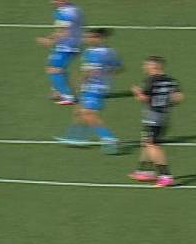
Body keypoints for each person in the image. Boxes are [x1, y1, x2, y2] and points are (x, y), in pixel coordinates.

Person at [56, 28, 122, 153]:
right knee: (79, 112)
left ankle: (109, 138)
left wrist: (80, 85)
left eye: (89, 37)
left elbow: (89, 72)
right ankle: (76, 137)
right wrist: (107, 77)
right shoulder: (111, 52)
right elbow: (119, 68)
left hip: (92, 87)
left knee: (88, 114)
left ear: (98, 38)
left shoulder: (94, 53)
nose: (86, 39)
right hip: (100, 87)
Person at [130, 56, 184, 187]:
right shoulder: (171, 80)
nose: (144, 68)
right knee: (146, 142)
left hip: (153, 116)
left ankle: (165, 175)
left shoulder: (150, 80)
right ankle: (144, 171)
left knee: (153, 145)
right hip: (164, 115)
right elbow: (179, 97)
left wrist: (136, 92)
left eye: (146, 65)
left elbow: (144, 99)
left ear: (154, 66)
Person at [37, 0, 84, 105]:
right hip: (68, 44)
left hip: (67, 46)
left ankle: (68, 96)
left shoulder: (66, 13)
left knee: (54, 69)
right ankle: (58, 91)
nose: (53, 2)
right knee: (55, 67)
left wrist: (50, 41)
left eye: (57, 0)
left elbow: (64, 31)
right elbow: (60, 29)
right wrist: (50, 38)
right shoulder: (71, 9)